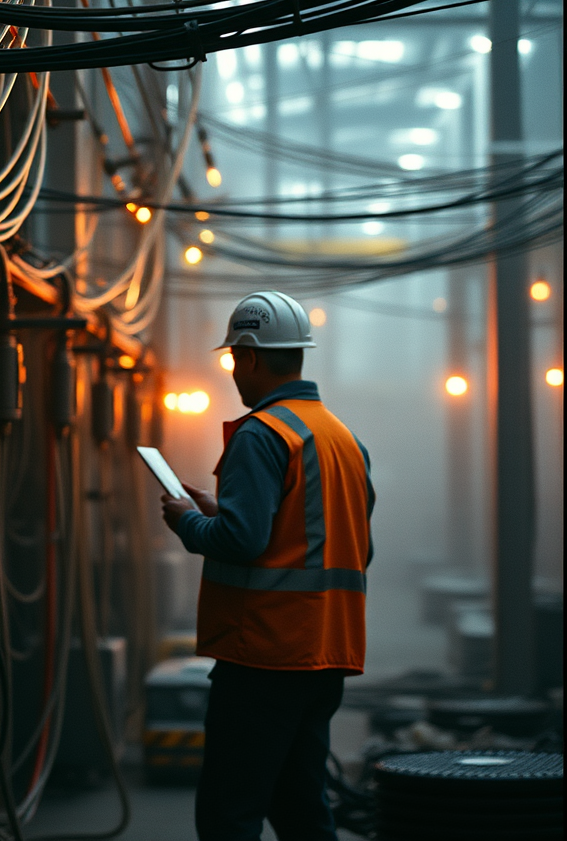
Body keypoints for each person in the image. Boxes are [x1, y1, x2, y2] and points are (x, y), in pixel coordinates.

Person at [160, 290, 374, 841]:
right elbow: (347, 546)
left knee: (229, 813)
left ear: (250, 356)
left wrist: (187, 522)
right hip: (325, 654)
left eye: (234, 357)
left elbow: (241, 540)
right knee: (301, 807)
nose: (233, 368)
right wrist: (219, 509)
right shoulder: (342, 438)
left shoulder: (261, 435)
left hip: (264, 656)